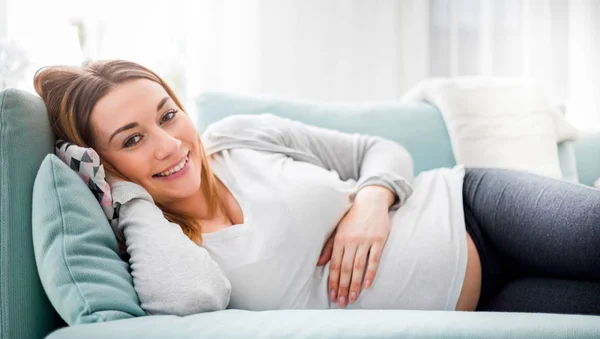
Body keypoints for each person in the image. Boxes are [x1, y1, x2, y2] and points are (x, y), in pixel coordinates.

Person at [33, 60, 600, 317]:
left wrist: (373, 202)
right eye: (132, 140)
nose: (169, 144)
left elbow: (379, 151)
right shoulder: (163, 249)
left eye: (168, 115)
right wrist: (128, 198)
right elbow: (186, 301)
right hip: (484, 307)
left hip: (470, 206)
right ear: (100, 165)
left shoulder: (239, 137)